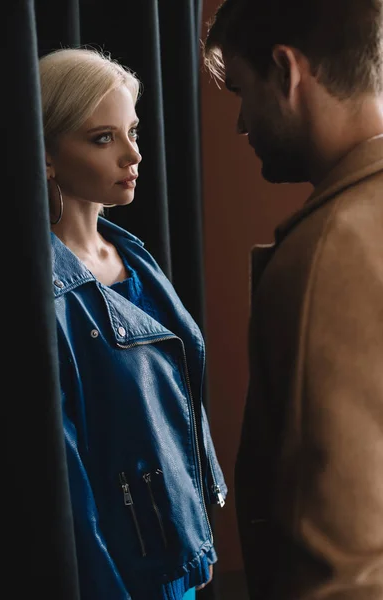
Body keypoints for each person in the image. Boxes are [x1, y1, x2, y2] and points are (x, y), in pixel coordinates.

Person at [203, 0, 383, 598]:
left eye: (243, 92)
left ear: (287, 71)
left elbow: (341, 575)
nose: (241, 124)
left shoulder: (331, 253)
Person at [39, 47, 227, 600]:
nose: (133, 155)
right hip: (121, 574)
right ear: (47, 154)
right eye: (104, 138)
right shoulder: (45, 290)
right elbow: (67, 475)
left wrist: (197, 533)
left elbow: (179, 402)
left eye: (133, 132)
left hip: (177, 552)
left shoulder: (132, 254)